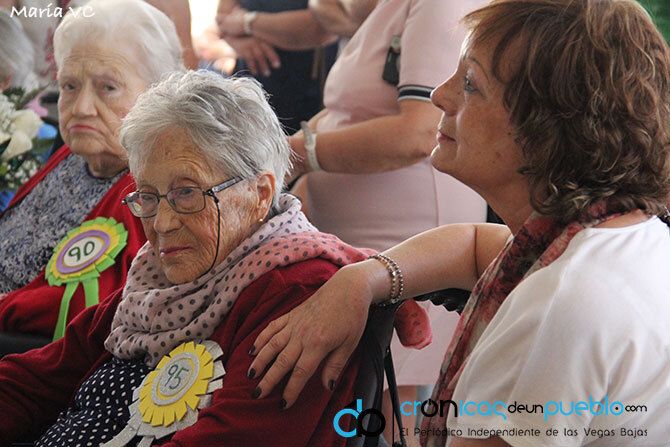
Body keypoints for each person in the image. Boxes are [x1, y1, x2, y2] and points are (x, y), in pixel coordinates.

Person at [245, 1, 670, 446]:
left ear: (546, 129)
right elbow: (473, 245)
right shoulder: (620, 233)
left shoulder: (556, 308)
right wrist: (361, 279)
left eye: (470, 84)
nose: (439, 96)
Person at [0, 69, 369, 447]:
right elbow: (39, 378)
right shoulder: (156, 281)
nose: (162, 223)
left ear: (259, 194)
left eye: (187, 193)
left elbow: (234, 438)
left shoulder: (296, 295)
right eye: (148, 196)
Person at [287, 0, 487, 441]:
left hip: (406, 231)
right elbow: (346, 111)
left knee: (388, 403)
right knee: (355, 401)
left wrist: (293, 156)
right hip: (356, 232)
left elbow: (419, 133)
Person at [0, 0, 184, 342]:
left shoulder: (148, 193)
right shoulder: (73, 156)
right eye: (69, 86)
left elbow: (89, 312)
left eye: (107, 87)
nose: (82, 107)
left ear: (157, 93)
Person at [216, 0, 338, 133]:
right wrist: (240, 41)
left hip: (305, 91)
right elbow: (223, 17)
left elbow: (325, 26)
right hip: (246, 85)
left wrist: (247, 22)